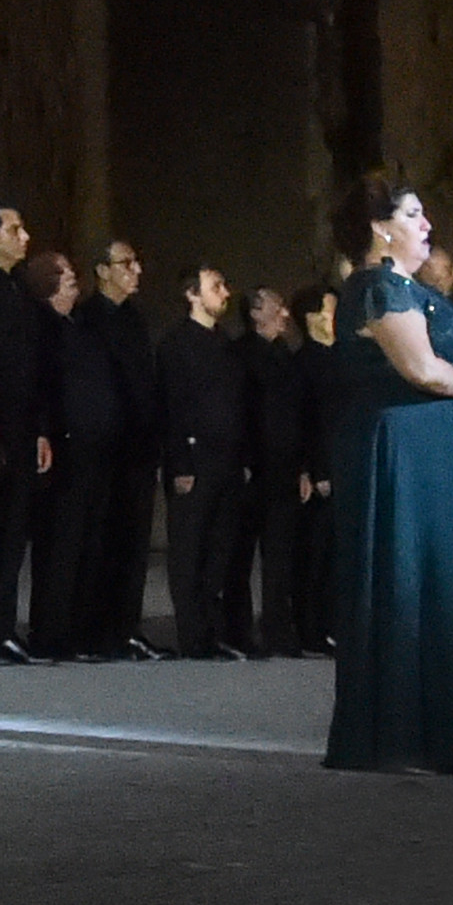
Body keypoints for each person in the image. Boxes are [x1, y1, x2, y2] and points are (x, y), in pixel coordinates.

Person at [325, 182, 453, 775]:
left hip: (449, 448)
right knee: (419, 579)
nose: (426, 223)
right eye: (412, 214)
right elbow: (418, 369)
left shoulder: (414, 291)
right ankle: (409, 737)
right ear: (379, 228)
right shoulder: (376, 287)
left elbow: (446, 360)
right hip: (409, 453)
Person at [0, 200, 57, 661]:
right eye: (14, 229)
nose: (25, 238)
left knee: (14, 533)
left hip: (22, 426)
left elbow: (33, 366)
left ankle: (0, 625)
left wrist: (39, 428)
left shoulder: (21, 291)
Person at [25, 249, 129, 664]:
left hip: (98, 450)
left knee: (91, 543)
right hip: (67, 451)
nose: (72, 279)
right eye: (62, 274)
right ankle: (52, 633)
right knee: (62, 546)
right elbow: (41, 388)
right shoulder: (42, 328)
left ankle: (84, 630)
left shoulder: (82, 326)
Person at [156, 263, 253, 657]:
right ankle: (192, 636)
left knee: (219, 551)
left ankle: (212, 633)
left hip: (228, 463)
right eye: (216, 286)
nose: (225, 293)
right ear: (192, 294)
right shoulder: (176, 345)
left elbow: (239, 405)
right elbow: (170, 407)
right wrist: (180, 463)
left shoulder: (226, 344)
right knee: (190, 551)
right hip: (195, 462)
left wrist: (243, 458)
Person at [78, 238, 166, 658]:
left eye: (136, 261)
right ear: (102, 270)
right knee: (102, 540)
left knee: (134, 543)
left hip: (139, 448)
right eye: (125, 263)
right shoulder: (90, 319)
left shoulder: (134, 319)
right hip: (105, 449)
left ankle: (126, 626)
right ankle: (96, 630)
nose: (136, 270)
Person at [243, 284, 328, 656]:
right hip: (255, 469)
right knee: (241, 557)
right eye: (276, 308)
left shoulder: (285, 356)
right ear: (255, 313)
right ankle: (244, 630)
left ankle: (280, 628)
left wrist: (304, 466)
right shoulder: (243, 356)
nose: (284, 315)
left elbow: (298, 418)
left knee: (283, 556)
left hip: (285, 470)